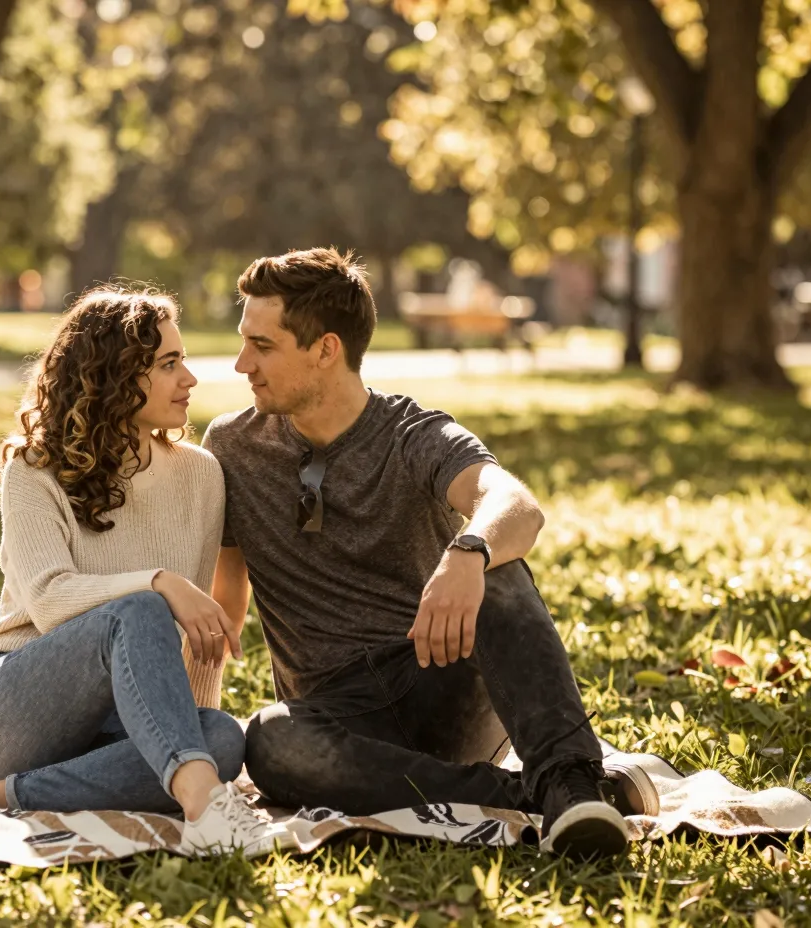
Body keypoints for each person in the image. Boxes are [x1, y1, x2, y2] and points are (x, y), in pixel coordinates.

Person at [202, 247, 650, 860]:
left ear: (326, 349)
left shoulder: (414, 433)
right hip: (338, 721)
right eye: (243, 342)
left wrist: (468, 551)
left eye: (263, 345)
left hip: (444, 690)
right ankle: (535, 794)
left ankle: (571, 783)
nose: (241, 363)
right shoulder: (231, 445)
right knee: (271, 739)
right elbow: (223, 602)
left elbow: (515, 503)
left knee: (497, 562)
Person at [0, 285, 286, 856]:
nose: (189, 379)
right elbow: (48, 600)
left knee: (219, 739)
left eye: (183, 361)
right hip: (11, 707)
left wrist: (184, 728)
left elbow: (192, 644)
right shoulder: (34, 469)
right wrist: (158, 581)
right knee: (140, 608)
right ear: (113, 375)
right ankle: (206, 808)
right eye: (169, 364)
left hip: (120, 720)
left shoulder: (201, 477)